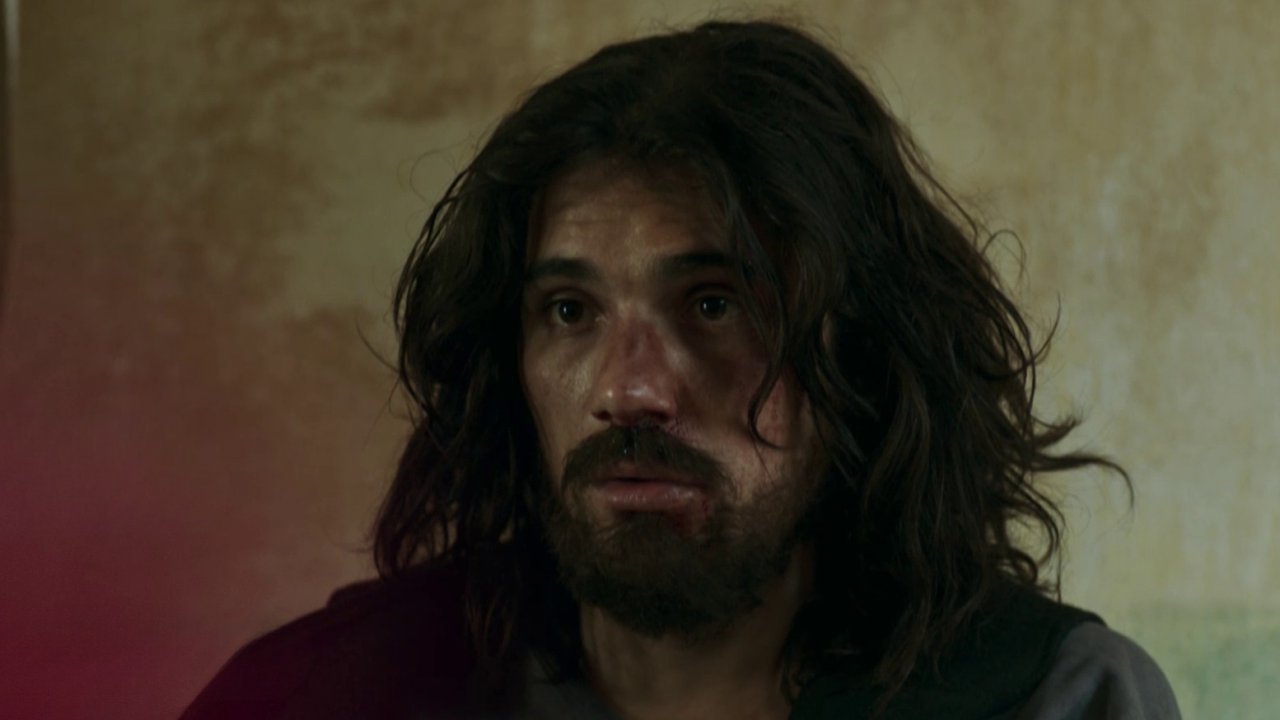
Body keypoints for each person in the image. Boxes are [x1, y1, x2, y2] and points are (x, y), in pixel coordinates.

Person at [181, 19, 1182, 720]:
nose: (629, 391)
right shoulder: (323, 695)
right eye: (569, 312)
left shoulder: (1051, 701)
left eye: (713, 305)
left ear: (866, 349)